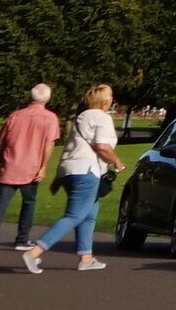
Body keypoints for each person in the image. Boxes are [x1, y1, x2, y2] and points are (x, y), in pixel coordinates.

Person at [25, 82, 116, 273]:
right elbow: (101, 146)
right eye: (110, 96)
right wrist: (118, 162)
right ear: (105, 100)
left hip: (70, 170)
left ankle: (86, 257)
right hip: (87, 171)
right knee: (75, 215)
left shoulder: (81, 117)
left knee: (89, 214)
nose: (112, 99)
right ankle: (35, 252)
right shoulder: (103, 118)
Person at [0, 84, 59, 255]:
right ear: (47, 98)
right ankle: (22, 239)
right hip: (31, 167)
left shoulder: (15, 115)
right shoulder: (50, 118)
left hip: (10, 164)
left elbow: (1, 141)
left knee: (0, 204)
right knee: (29, 203)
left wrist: (2, 158)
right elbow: (49, 144)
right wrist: (44, 166)